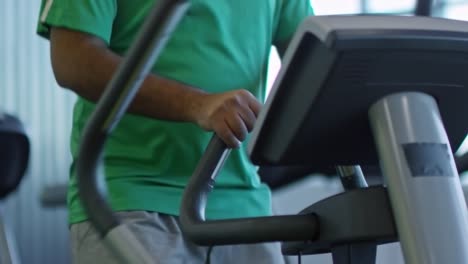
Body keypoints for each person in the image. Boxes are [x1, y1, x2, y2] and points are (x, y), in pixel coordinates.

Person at [37, 0, 314, 263]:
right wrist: (196, 104)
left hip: (244, 206)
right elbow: (72, 59)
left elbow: (315, 57)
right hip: (133, 199)